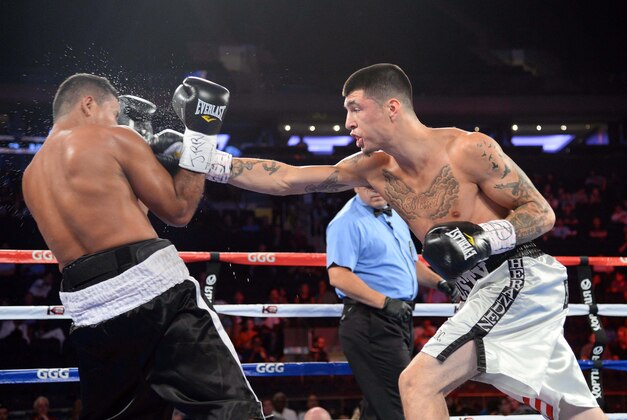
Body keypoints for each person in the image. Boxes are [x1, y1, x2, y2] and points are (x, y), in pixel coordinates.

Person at [200, 63, 604, 419]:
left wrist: (484, 236)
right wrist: (207, 160)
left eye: (355, 108)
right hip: (481, 290)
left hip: (517, 276)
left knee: (417, 383)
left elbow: (541, 213)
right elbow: (287, 178)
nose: (347, 123)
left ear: (392, 107)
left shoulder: (468, 149)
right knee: (575, 411)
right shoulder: (374, 169)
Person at [21, 73, 264, 419]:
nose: (119, 123)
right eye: (113, 113)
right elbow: (179, 210)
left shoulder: (31, 176)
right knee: (233, 408)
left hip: (91, 313)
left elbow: (121, 218)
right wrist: (201, 133)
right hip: (154, 294)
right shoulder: (112, 137)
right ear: (88, 104)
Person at [326, 186, 456, 419]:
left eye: (378, 182)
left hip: (398, 319)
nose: (374, 190)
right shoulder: (346, 222)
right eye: (366, 184)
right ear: (355, 184)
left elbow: (409, 263)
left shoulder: (395, 214)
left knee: (379, 406)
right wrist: (384, 302)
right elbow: (338, 276)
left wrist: (442, 284)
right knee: (401, 404)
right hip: (371, 322)